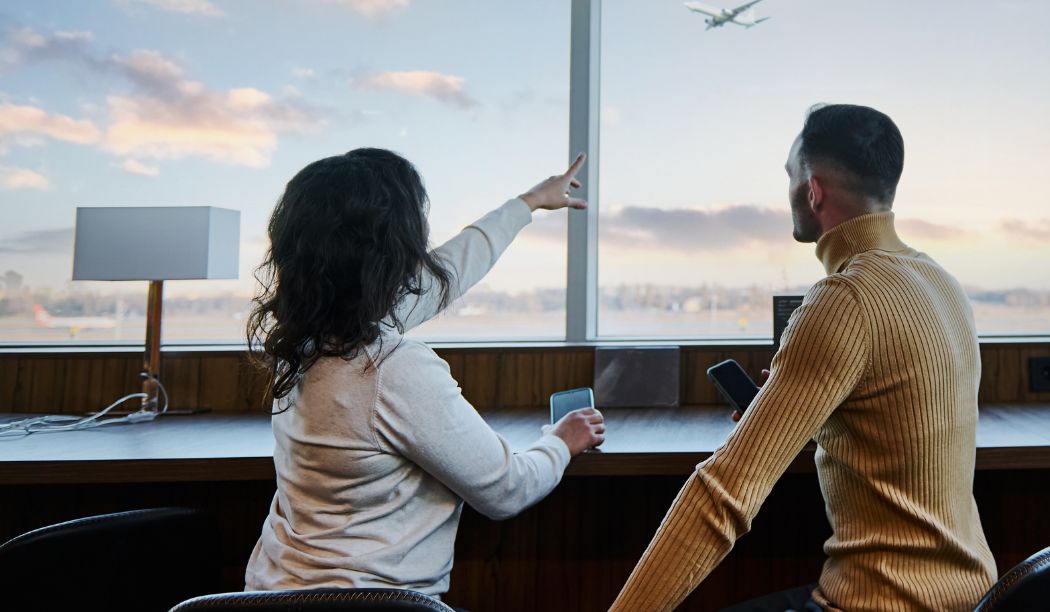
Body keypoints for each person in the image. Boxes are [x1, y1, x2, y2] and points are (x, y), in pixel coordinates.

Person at [611, 104, 997, 612]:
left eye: (790, 176)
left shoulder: (844, 298)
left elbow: (723, 495)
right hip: (973, 595)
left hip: (879, 601)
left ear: (812, 190)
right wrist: (799, 410)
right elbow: (900, 423)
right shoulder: (942, 283)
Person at [244, 148, 604, 598]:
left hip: (274, 594)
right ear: (393, 252)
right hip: (375, 605)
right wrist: (561, 441)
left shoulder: (299, 343)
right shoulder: (388, 368)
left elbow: (440, 280)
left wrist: (526, 203)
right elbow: (506, 490)